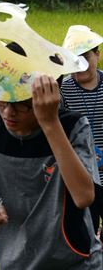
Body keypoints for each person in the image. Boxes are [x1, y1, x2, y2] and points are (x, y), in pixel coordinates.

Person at [0, 75, 103, 269]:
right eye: (3, 100)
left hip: (75, 260)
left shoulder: (72, 127)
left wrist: (50, 122)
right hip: (15, 259)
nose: (9, 112)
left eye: (22, 104)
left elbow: (84, 197)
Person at [60, 26, 103, 241]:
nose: (80, 64)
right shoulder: (63, 90)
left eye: (85, 56)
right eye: (73, 59)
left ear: (97, 54)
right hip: (82, 177)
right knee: (86, 231)